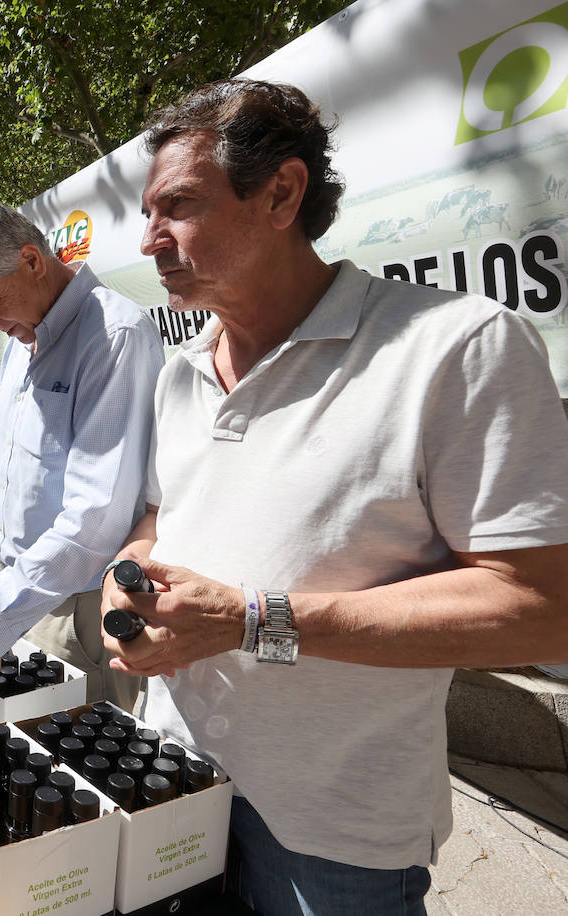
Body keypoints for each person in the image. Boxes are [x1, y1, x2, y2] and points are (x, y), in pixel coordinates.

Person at [98, 79, 568, 914]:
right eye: (147, 213)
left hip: (335, 843)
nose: (151, 240)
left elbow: (538, 606)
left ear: (280, 193)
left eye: (178, 207)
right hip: (176, 789)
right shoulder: (180, 375)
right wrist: (130, 569)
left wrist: (252, 621)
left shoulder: (457, 348)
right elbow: (165, 516)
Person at [0, 198, 164, 723]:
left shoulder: (112, 335)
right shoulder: (19, 341)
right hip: (20, 596)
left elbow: (95, 521)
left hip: (78, 607)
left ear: (31, 260)